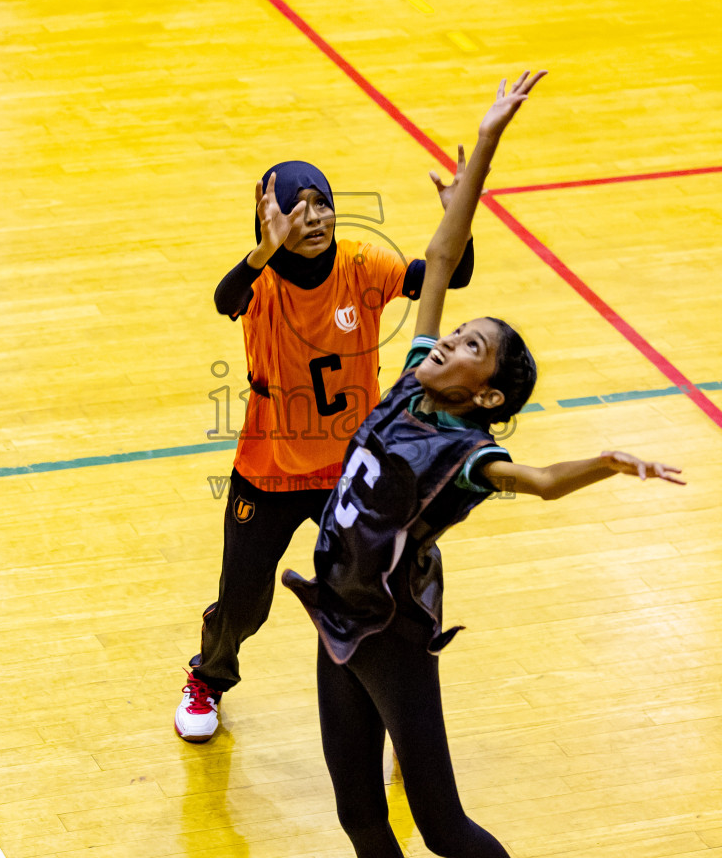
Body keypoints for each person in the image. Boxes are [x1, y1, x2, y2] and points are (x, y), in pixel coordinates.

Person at [282, 70, 685, 858]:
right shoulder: (412, 382)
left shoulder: (467, 453)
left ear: (487, 394)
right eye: (457, 330)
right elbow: (439, 255)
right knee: (359, 815)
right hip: (336, 611)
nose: (450, 340)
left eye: (470, 346)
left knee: (441, 827)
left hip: (390, 632)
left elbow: (537, 484)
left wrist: (604, 462)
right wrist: (485, 147)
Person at [176, 149, 478, 742]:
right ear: (270, 221)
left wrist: (459, 219)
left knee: (393, 588)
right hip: (270, 471)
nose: (313, 218)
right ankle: (208, 678)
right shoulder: (260, 284)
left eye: (323, 205)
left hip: (352, 471)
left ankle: (401, 705)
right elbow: (224, 298)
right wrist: (264, 249)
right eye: (296, 209)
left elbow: (450, 276)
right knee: (242, 604)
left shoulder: (364, 265)